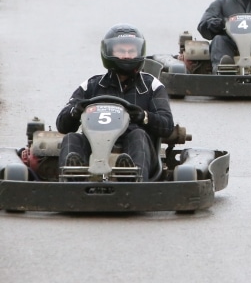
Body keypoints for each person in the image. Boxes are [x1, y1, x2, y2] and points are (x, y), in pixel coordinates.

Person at [55, 24, 174, 181]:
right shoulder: (92, 85)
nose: (126, 56)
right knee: (72, 138)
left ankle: (131, 177)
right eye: (121, 51)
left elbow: (167, 126)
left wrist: (144, 117)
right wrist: (74, 112)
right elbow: (62, 125)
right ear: (108, 52)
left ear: (139, 53)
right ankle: (73, 179)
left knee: (138, 135)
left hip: (137, 149)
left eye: (131, 51)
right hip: (94, 148)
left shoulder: (151, 86)